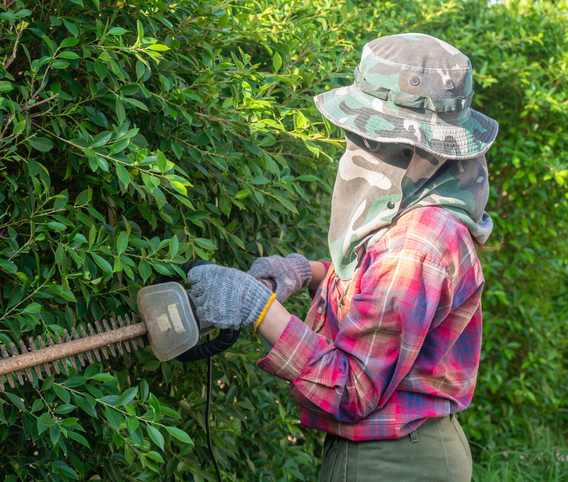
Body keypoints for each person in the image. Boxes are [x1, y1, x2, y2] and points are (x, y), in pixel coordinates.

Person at [187, 33, 498, 481]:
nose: (354, 144)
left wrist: (259, 311)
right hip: (401, 450)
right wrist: (306, 272)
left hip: (392, 463)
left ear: (408, 147)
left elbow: (352, 386)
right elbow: (381, 293)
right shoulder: (423, 212)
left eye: (365, 133)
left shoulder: (417, 244)